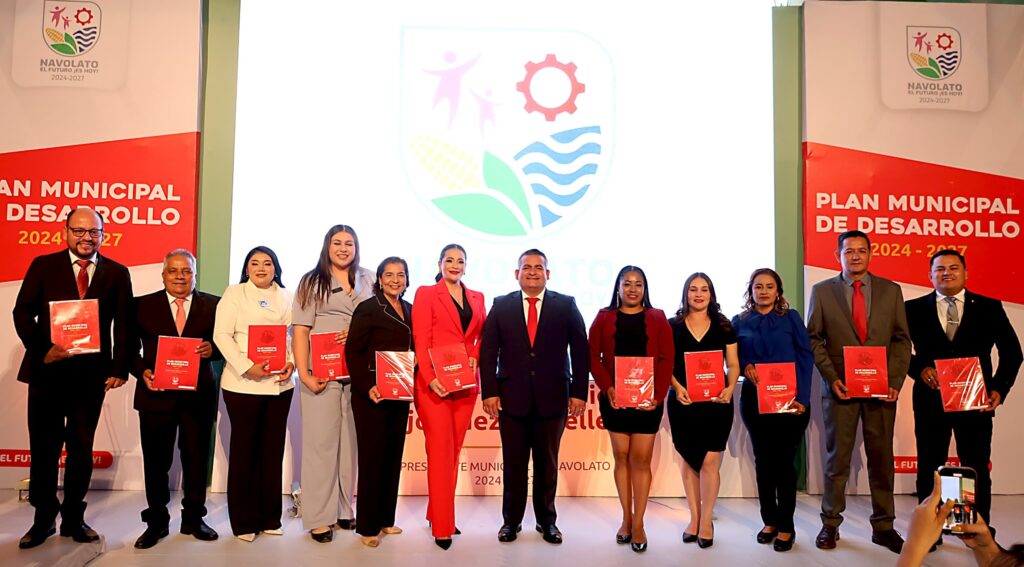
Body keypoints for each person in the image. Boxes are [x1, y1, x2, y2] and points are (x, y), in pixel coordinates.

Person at [13, 207, 132, 549]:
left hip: (90, 377)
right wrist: (43, 349)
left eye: (93, 232)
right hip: (47, 372)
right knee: (44, 449)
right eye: (79, 231)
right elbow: (22, 312)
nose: (86, 238)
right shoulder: (43, 265)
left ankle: (74, 519)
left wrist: (119, 368)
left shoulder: (117, 272)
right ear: (65, 232)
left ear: (103, 235)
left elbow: (124, 324)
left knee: (81, 450)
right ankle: (42, 519)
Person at [905, 249, 1022, 548]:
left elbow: (1012, 352)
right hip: (931, 400)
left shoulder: (989, 307)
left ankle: (977, 530)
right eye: (939, 269)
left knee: (976, 465)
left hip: (975, 400)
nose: (947, 273)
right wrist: (918, 369)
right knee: (930, 465)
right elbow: (897, 350)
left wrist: (999, 388)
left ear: (966, 273)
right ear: (930, 275)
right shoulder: (911, 309)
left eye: (954, 267)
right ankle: (929, 532)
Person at [806, 229, 911, 553]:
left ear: (870, 254)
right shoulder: (822, 291)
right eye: (848, 250)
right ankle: (830, 524)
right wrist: (831, 377)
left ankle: (884, 527)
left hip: (881, 391)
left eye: (861, 250)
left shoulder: (891, 290)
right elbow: (814, 338)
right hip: (840, 389)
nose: (855, 256)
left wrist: (894, 381)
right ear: (837, 255)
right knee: (837, 460)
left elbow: (901, 340)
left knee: (882, 460)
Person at [479, 249, 589, 545]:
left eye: (538, 267)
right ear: (517, 274)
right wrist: (489, 391)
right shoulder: (501, 305)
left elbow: (581, 350)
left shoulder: (565, 305)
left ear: (547, 274)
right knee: (514, 465)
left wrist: (579, 392)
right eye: (526, 267)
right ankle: (510, 522)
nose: (532, 272)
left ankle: (547, 521)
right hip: (511, 399)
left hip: (553, 398)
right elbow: (488, 351)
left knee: (547, 465)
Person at [129, 249, 222, 549]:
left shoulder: (215, 305)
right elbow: (127, 348)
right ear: (163, 274)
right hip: (155, 395)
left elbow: (228, 341)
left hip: (198, 397)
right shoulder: (142, 305)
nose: (180, 276)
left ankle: (194, 519)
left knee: (196, 459)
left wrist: (214, 349)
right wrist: (142, 371)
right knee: (156, 462)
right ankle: (156, 522)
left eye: (187, 271)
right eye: (173, 270)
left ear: (195, 274)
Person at [291, 225, 374, 543]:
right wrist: (305, 373)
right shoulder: (311, 281)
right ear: (327, 246)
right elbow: (300, 330)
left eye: (349, 243)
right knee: (320, 446)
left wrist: (358, 330)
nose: (343, 248)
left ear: (356, 247)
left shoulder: (369, 278)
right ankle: (318, 518)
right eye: (337, 243)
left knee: (350, 446)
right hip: (321, 374)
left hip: (358, 375)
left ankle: (343, 510)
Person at [587, 265, 673, 553]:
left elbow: (667, 358)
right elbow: (593, 356)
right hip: (615, 400)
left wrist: (658, 396)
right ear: (618, 287)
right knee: (621, 457)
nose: (633, 289)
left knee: (641, 459)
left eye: (638, 284)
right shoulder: (603, 317)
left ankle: (639, 523)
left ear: (645, 289)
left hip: (648, 401)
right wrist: (607, 387)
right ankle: (626, 518)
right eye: (627, 283)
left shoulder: (658, 317)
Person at [213, 246, 296, 542]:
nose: (261, 268)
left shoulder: (287, 296)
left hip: (279, 386)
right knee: (244, 452)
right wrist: (247, 366)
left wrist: (291, 363)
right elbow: (221, 335)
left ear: (276, 268)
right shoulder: (234, 293)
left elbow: (292, 338)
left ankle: (270, 517)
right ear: (246, 268)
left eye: (267, 263)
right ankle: (244, 522)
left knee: (272, 452)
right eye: (255, 263)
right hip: (242, 385)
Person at [411, 244, 487, 550]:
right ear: (439, 263)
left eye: (460, 261)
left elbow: (482, 335)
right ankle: (443, 526)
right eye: (450, 260)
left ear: (466, 266)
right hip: (434, 385)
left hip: (465, 384)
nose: (455, 265)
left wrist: (475, 356)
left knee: (452, 452)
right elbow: (421, 339)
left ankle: (437, 512)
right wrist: (431, 378)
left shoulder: (477, 297)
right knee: (441, 452)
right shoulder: (426, 294)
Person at [732, 268, 813, 552]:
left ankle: (786, 526)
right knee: (763, 461)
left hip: (790, 401)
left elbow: (805, 356)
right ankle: (769, 521)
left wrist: (803, 398)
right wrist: (746, 365)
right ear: (751, 290)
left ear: (778, 291)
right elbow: (734, 357)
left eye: (769, 286)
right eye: (758, 286)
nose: (764, 291)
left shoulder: (790, 318)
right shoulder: (740, 321)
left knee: (784, 464)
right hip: (754, 401)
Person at [345, 257, 414, 548]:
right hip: (372, 395)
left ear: (407, 279)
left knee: (392, 456)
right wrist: (367, 386)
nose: (395, 280)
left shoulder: (410, 309)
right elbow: (353, 352)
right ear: (380, 280)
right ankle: (368, 527)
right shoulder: (368, 308)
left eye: (401, 275)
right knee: (372, 459)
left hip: (400, 392)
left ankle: (386, 518)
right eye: (389, 275)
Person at [667, 272, 739, 549]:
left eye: (704, 289)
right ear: (686, 293)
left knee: (710, 462)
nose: (699, 294)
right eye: (693, 289)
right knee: (688, 461)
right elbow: (666, 364)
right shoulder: (672, 326)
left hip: (717, 403)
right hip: (683, 402)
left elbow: (733, 364)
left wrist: (730, 388)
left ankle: (707, 520)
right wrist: (677, 387)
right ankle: (694, 519)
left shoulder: (724, 325)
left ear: (711, 294)